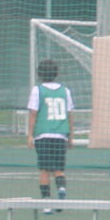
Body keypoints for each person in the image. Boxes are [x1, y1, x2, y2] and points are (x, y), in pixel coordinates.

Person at [26, 60, 74, 199]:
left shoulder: (37, 90)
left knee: (44, 170)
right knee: (59, 169)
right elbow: (70, 115)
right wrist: (70, 136)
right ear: (56, 73)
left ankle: (46, 201)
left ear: (39, 74)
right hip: (61, 135)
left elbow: (33, 114)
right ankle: (61, 187)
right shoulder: (65, 90)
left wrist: (30, 135)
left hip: (43, 135)